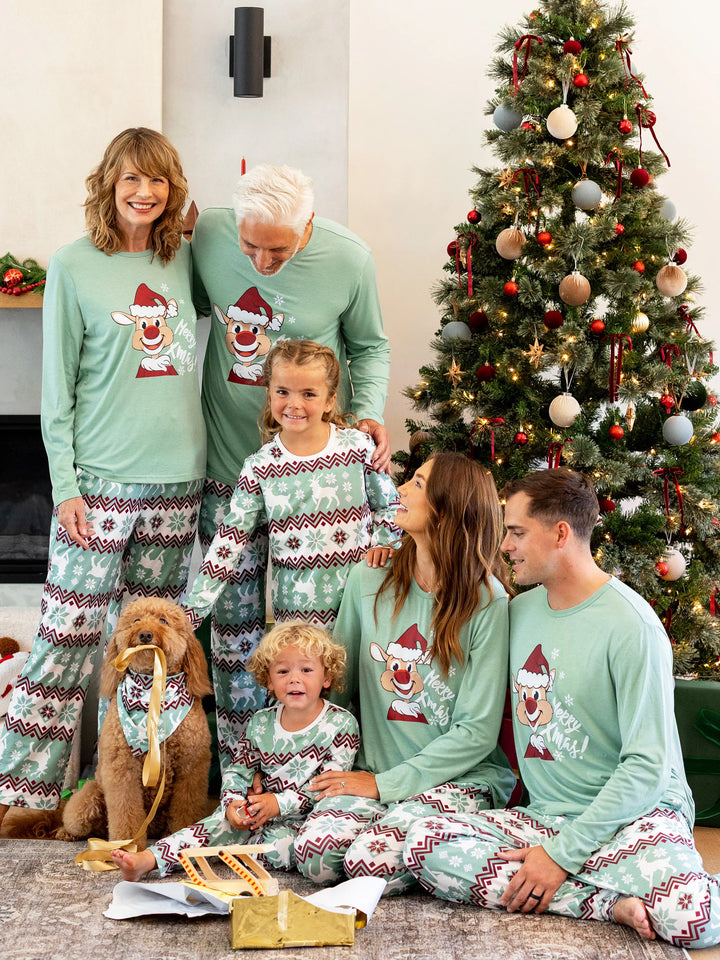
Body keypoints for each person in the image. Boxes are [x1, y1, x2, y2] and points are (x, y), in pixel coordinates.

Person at [403, 468, 720, 949]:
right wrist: (393, 559)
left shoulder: (633, 627)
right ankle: (605, 905)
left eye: (516, 532)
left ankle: (594, 879)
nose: (505, 546)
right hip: (545, 816)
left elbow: (648, 767)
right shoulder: (517, 612)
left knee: (691, 921)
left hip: (634, 816)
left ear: (560, 534)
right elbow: (443, 604)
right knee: (425, 843)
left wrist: (560, 856)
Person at [0, 128, 205, 829]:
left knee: (152, 663)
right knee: (64, 644)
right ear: (108, 185)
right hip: (101, 486)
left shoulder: (185, 261)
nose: (144, 193)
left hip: (178, 483)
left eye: (157, 181)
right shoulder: (74, 266)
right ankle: (19, 797)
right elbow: (55, 396)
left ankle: (131, 799)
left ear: (173, 189)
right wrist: (64, 488)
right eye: (131, 180)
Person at [191, 164, 391, 771]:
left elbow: (371, 346)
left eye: (276, 248)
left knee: (311, 651)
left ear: (307, 225)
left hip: (313, 491)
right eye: (250, 245)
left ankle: (324, 771)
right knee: (233, 642)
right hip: (228, 468)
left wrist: (369, 415)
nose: (260, 260)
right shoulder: (211, 235)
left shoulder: (349, 259)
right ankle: (241, 771)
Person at [293, 452, 516, 895]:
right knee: (315, 858)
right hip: (372, 769)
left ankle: (454, 838)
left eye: (417, 483)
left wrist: (384, 786)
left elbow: (476, 732)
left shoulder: (486, 600)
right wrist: (298, 758)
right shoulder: (368, 578)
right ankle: (421, 838)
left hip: (460, 779)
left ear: (447, 508)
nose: (400, 491)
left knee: (367, 860)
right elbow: (335, 689)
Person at [181, 339, 398, 764]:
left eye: (308, 393)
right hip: (296, 615)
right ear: (268, 393)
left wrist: (387, 545)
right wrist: (190, 612)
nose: (293, 403)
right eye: (282, 391)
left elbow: (390, 507)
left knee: (360, 695)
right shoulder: (260, 466)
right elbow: (230, 539)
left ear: (330, 399)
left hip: (358, 603)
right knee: (303, 701)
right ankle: (296, 787)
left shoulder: (356, 448)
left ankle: (362, 780)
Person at [112, 620, 359, 879]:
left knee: (281, 848)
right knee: (216, 823)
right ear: (269, 681)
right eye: (283, 672)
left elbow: (329, 788)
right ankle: (148, 860)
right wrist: (232, 803)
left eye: (306, 670)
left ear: (327, 677)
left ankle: (241, 849)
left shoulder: (340, 724)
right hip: (257, 813)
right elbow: (238, 770)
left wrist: (277, 802)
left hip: (306, 820)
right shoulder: (261, 722)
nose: (294, 679)